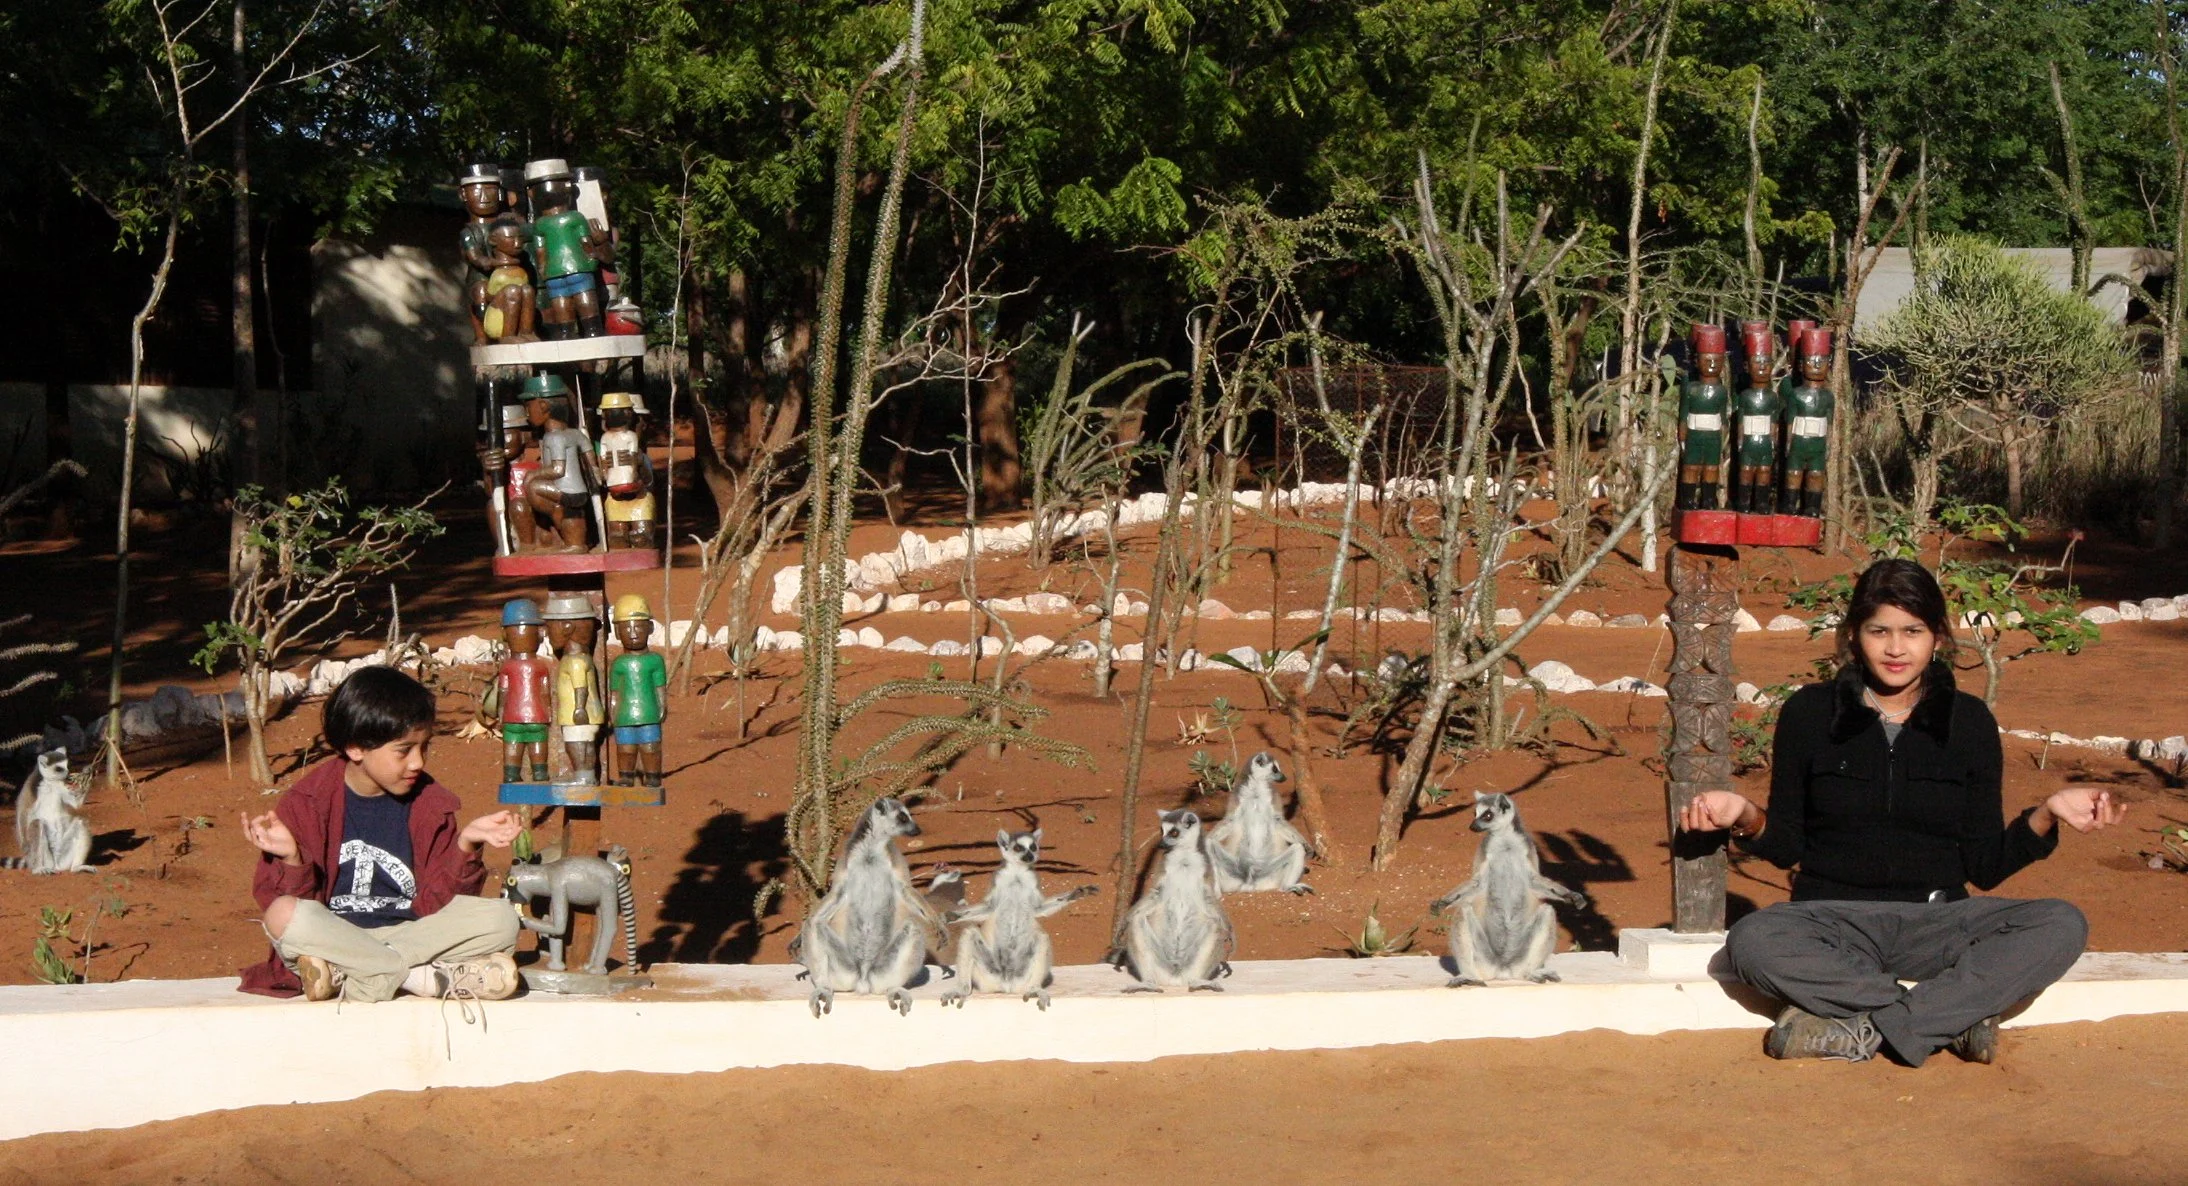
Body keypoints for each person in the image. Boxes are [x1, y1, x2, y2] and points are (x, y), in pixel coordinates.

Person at [1680, 558, 2124, 1066]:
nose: (1896, 648)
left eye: (1913, 631)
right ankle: (1946, 1020)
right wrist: (1743, 813)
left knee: (2061, 923)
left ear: (1937, 637)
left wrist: (2047, 813)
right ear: (1854, 636)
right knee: (1754, 941)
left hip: (1940, 922)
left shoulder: (1970, 722)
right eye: (1879, 631)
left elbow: (1984, 865)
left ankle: (1866, 1026)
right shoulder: (1809, 712)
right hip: (1830, 921)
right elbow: (1788, 846)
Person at [238, 666, 525, 1002]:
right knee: (282, 913)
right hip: (336, 934)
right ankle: (419, 978)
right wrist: (292, 860)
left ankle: (360, 973)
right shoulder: (307, 804)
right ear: (357, 747)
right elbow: (294, 907)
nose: (418, 762)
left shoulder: (432, 804)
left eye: (424, 747)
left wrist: (466, 846)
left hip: (412, 934)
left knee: (502, 918)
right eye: (404, 751)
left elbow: (437, 909)